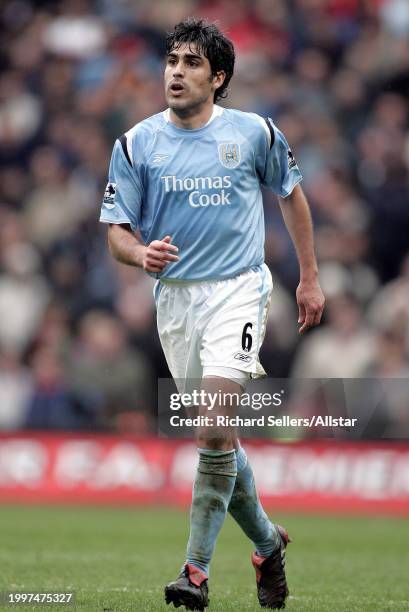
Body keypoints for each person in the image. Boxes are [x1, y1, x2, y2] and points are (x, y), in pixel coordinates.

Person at [100, 18, 325, 611]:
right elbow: (116, 234)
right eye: (172, 60)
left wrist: (309, 276)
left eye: (192, 62)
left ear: (217, 76)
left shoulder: (254, 134)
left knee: (211, 423)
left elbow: (292, 196)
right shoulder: (135, 142)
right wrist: (139, 253)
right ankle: (266, 543)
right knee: (219, 436)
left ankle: (194, 573)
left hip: (237, 289)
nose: (176, 71)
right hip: (174, 300)